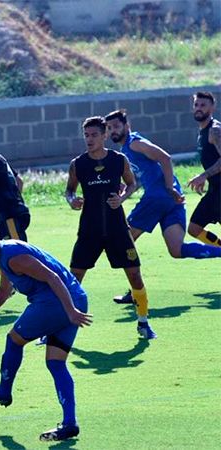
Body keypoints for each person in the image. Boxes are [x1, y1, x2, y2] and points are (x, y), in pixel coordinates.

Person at [0, 219, 92, 442]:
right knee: (56, 363)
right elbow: (4, 290)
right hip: (74, 299)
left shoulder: (14, 258)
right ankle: (70, 423)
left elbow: (52, 277)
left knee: (14, 340)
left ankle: (4, 392)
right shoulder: (5, 254)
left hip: (57, 303)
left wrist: (70, 311)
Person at [105, 109, 221, 304]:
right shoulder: (126, 149)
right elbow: (141, 179)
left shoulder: (134, 143)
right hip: (171, 201)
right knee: (177, 250)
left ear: (127, 126)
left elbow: (165, 158)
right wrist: (123, 195)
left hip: (158, 198)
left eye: (116, 126)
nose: (112, 131)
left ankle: (136, 292)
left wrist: (168, 187)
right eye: (109, 128)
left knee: (124, 241)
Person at [66, 116, 156, 339]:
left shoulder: (119, 160)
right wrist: (72, 200)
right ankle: (58, 326)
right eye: (86, 135)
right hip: (89, 230)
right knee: (73, 278)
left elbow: (132, 183)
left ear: (105, 135)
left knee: (134, 275)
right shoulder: (78, 164)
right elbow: (69, 190)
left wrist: (122, 198)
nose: (89, 139)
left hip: (117, 229)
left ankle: (143, 322)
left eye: (94, 135)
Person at [186, 91, 221, 247]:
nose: (198, 108)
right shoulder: (202, 131)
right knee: (194, 228)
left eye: (203, 105)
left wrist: (203, 176)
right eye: (196, 104)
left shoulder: (215, 130)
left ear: (212, 108)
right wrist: (205, 177)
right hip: (215, 189)